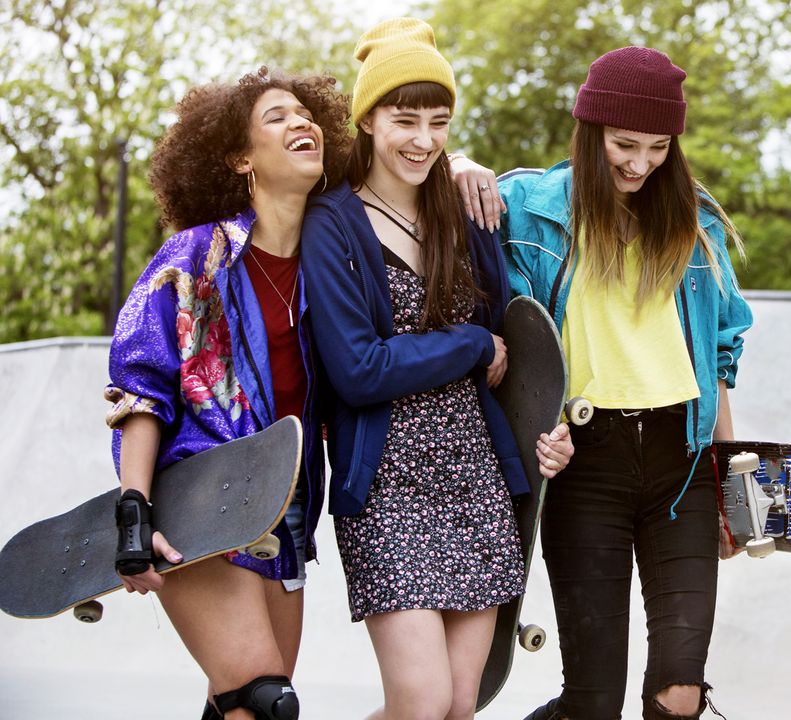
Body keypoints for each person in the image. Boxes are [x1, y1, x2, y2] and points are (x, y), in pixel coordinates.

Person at [299, 18, 575, 720]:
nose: (423, 139)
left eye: (439, 121)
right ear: (368, 119)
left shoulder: (465, 210)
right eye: (404, 118)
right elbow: (358, 369)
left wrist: (546, 425)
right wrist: (471, 349)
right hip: (386, 482)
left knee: (459, 704)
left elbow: (519, 329)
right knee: (419, 703)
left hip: (475, 477)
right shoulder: (332, 223)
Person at [490, 46, 753, 720]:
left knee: (680, 693)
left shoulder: (694, 224)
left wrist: (728, 477)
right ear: (589, 131)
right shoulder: (528, 209)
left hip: (683, 467)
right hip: (586, 465)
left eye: (659, 147)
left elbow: (718, 359)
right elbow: (512, 338)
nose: (640, 163)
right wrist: (461, 166)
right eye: (623, 144)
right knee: (593, 702)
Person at [106, 67, 349, 719]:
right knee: (263, 698)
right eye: (277, 117)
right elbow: (141, 388)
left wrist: (462, 164)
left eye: (306, 115)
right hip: (202, 495)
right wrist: (135, 507)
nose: (301, 123)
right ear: (241, 158)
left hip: (287, 506)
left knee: (238, 704)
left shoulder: (334, 265)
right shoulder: (194, 259)